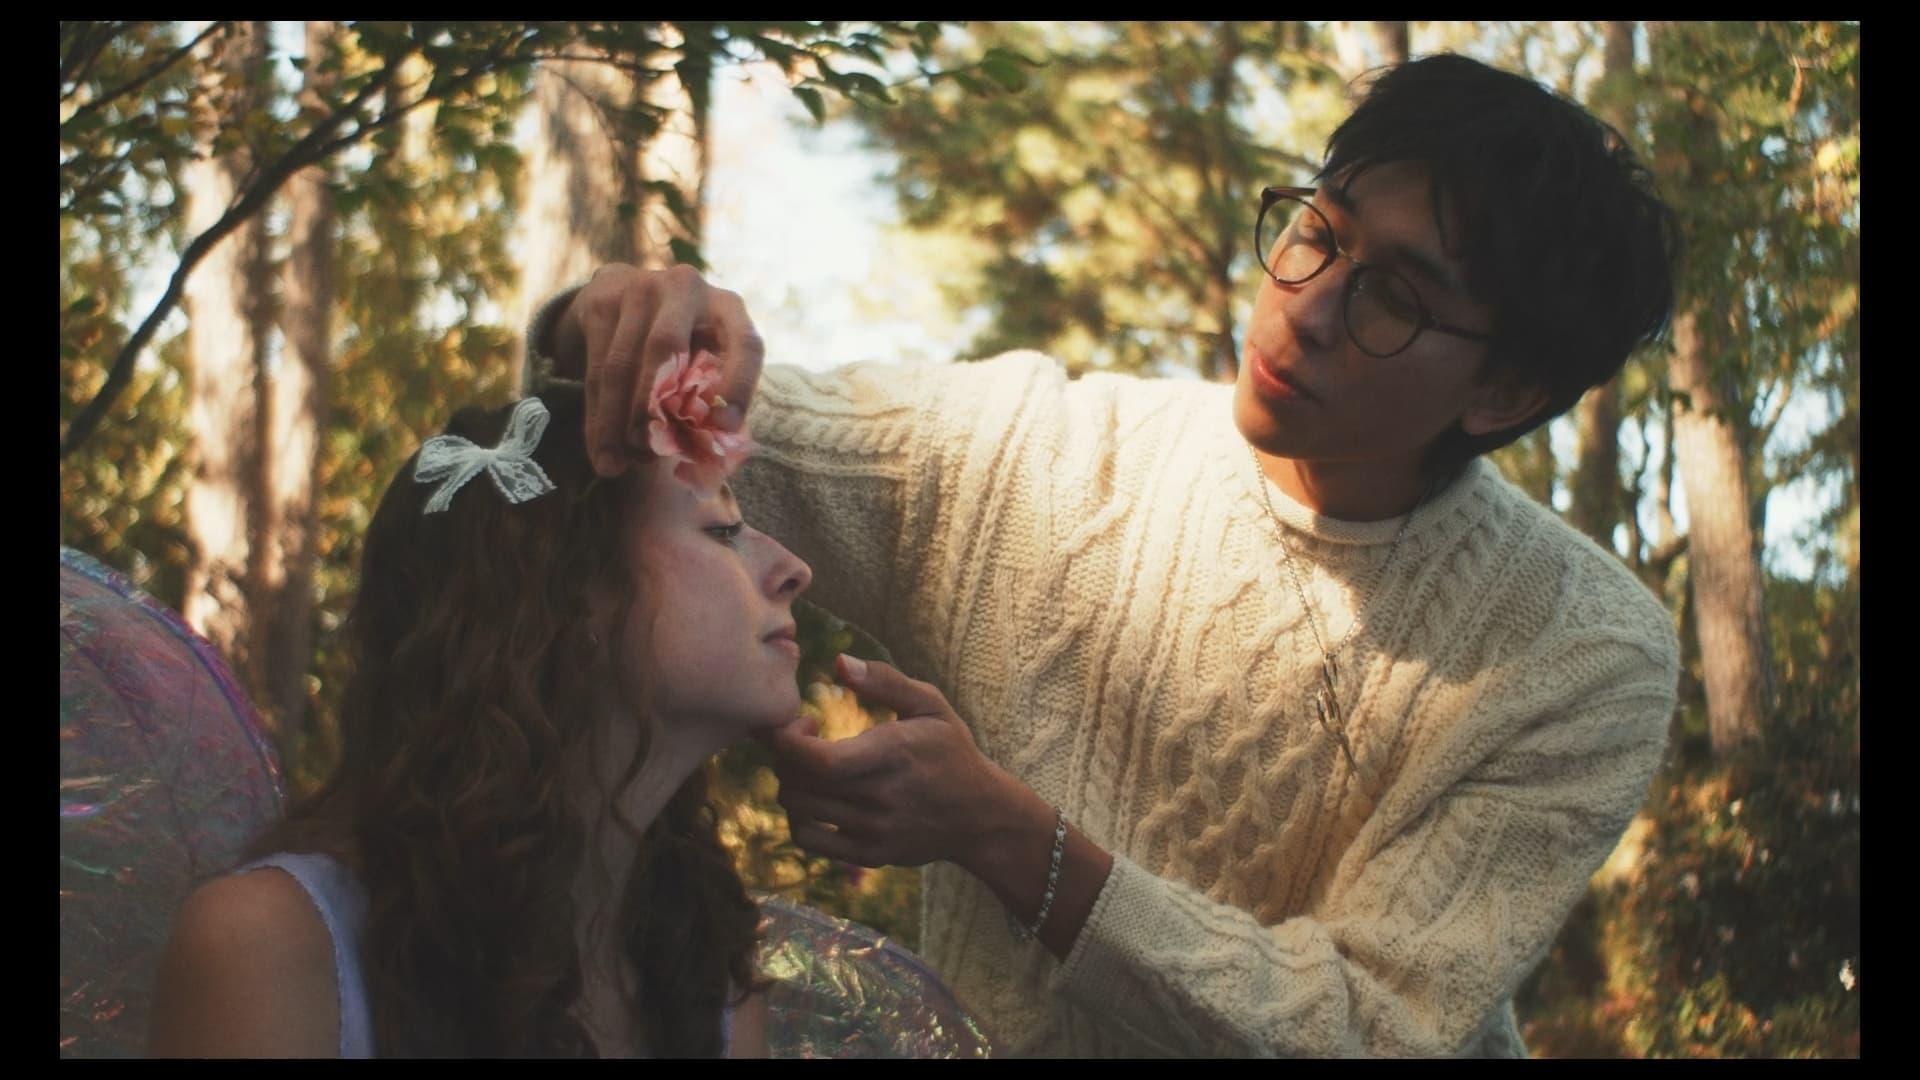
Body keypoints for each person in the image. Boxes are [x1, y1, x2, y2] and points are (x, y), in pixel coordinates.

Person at [529, 51, 1683, 1057]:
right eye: (1317, 230)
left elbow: (1371, 1026)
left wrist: (1006, 837)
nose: (1310, 306)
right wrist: (620, 330)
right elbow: (705, 429)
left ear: (1506, 390)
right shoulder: (1039, 458)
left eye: (1392, 297)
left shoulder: (1580, 648)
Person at [146, 378, 811, 1057]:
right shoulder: (274, 948)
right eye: (721, 528)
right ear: (568, 595)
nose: (793, 570)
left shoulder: (708, 976)